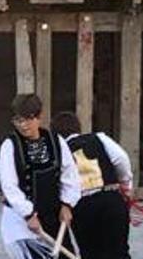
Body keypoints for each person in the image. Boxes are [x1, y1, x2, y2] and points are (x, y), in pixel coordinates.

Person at [0, 94, 81, 259]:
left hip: (54, 216)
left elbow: (70, 175)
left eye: (28, 119)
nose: (23, 125)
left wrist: (67, 204)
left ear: (39, 117)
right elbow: (9, 185)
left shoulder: (56, 141)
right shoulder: (10, 145)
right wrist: (28, 214)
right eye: (18, 120)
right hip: (22, 222)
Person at [51, 111, 133, 259]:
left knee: (90, 252)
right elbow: (121, 158)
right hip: (110, 197)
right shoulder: (99, 138)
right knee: (119, 251)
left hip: (82, 206)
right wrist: (125, 182)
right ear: (78, 128)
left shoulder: (58, 151)